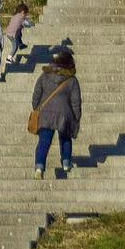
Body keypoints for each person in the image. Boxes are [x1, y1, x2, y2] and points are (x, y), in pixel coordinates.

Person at [31, 48, 81, 180]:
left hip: (46, 113)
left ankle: (39, 167)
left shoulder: (44, 75)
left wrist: (37, 108)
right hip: (65, 115)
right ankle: (66, 163)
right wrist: (76, 117)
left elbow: (36, 95)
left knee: (44, 142)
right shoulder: (71, 80)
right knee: (65, 138)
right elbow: (76, 102)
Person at [4, 1, 31, 66]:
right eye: (26, 13)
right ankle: (9, 58)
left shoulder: (15, 16)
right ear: (22, 12)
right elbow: (27, 24)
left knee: (18, 37)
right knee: (15, 46)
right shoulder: (22, 17)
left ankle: (21, 45)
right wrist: (31, 24)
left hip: (8, 33)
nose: (26, 15)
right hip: (13, 34)